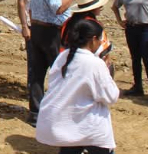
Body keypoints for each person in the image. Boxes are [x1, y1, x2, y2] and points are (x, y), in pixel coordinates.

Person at [36, 19, 119, 154]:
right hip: (88, 128)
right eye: (100, 40)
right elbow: (111, 97)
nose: (100, 43)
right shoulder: (94, 63)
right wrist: (107, 73)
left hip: (64, 125)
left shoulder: (63, 57)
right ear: (93, 40)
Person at [27, 0, 86, 125]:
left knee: (37, 73)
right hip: (50, 33)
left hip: (37, 29)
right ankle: (59, 111)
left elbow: (31, 10)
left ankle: (35, 112)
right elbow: (59, 8)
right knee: (60, 71)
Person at [16, 0, 51, 89]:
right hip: (33, 24)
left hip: (48, 23)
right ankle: (33, 90)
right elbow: (21, 1)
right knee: (34, 61)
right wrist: (25, 26)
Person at [60, 0, 113, 76]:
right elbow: (103, 51)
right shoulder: (94, 25)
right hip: (89, 66)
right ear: (93, 8)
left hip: (66, 61)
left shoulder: (68, 22)